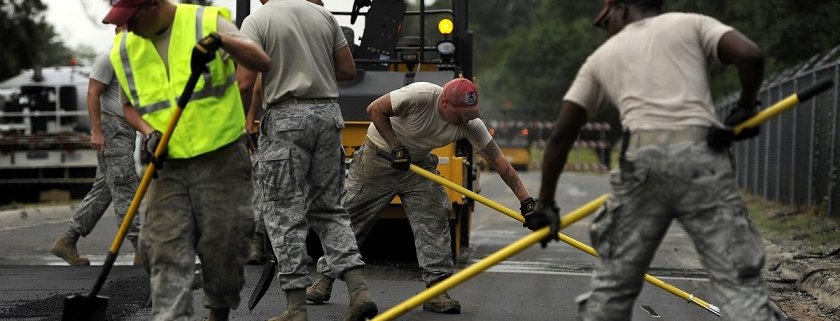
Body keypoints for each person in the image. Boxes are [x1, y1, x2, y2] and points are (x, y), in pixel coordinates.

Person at [524, 1, 787, 320]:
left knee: (612, 289)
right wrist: (746, 107)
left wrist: (546, 205)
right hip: (702, 157)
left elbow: (560, 136)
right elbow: (750, 55)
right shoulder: (692, 24)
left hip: (642, 163)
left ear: (621, 9)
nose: (607, 30)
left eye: (606, 22)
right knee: (739, 286)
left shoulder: (602, 57)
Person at [306, 78, 536, 315]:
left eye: (469, 114)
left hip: (417, 165)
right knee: (351, 219)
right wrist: (396, 146)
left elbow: (499, 162)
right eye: (460, 114)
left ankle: (436, 291)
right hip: (378, 159)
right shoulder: (420, 95)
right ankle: (324, 280)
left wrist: (526, 202)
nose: (465, 119)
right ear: (444, 103)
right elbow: (374, 109)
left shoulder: (470, 123)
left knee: (434, 215)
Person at [101, 0, 270, 320]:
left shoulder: (206, 22)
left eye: (131, 18)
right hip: (167, 165)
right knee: (163, 248)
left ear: (153, 5)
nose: (127, 27)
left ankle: (218, 311)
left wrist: (221, 42)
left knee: (224, 247)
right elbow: (129, 106)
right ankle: (170, 315)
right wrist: (149, 132)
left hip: (221, 157)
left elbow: (260, 61)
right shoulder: (124, 47)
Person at [239, 1, 377, 320]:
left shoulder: (258, 20)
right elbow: (347, 70)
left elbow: (245, 82)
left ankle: (296, 308)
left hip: (286, 118)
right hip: (329, 116)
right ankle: (359, 292)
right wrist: (312, 69)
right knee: (329, 209)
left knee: (283, 212)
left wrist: (239, 123)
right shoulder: (323, 15)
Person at [49, 29, 142, 267]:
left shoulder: (131, 59)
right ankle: (142, 247)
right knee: (125, 185)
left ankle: (68, 240)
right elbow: (92, 92)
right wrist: (97, 131)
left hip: (125, 130)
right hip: (112, 129)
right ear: (119, 31)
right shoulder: (108, 57)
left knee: (104, 190)